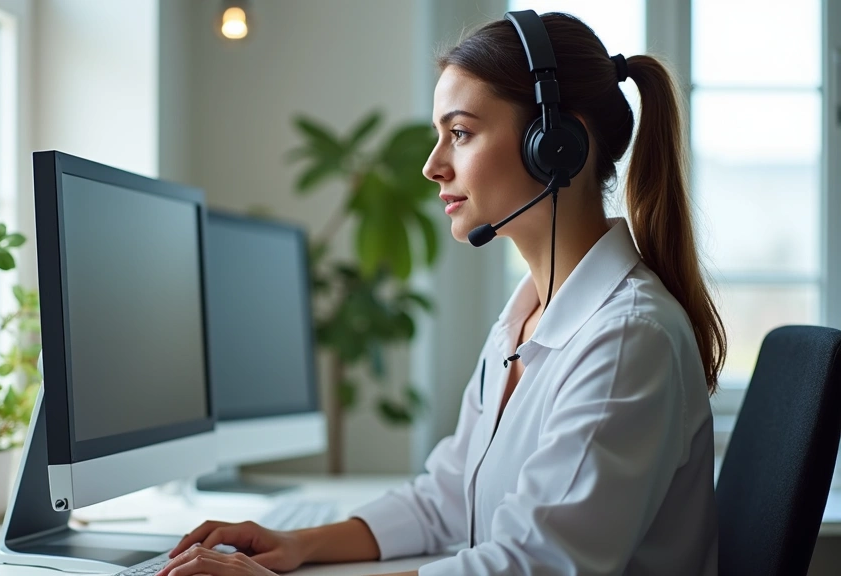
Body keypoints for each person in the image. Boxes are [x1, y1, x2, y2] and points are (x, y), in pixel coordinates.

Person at [157, 9, 725, 576]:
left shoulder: (627, 339)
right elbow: (447, 499)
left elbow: (535, 565)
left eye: (460, 133)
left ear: (555, 144)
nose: (433, 166)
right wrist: (297, 544)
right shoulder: (527, 317)